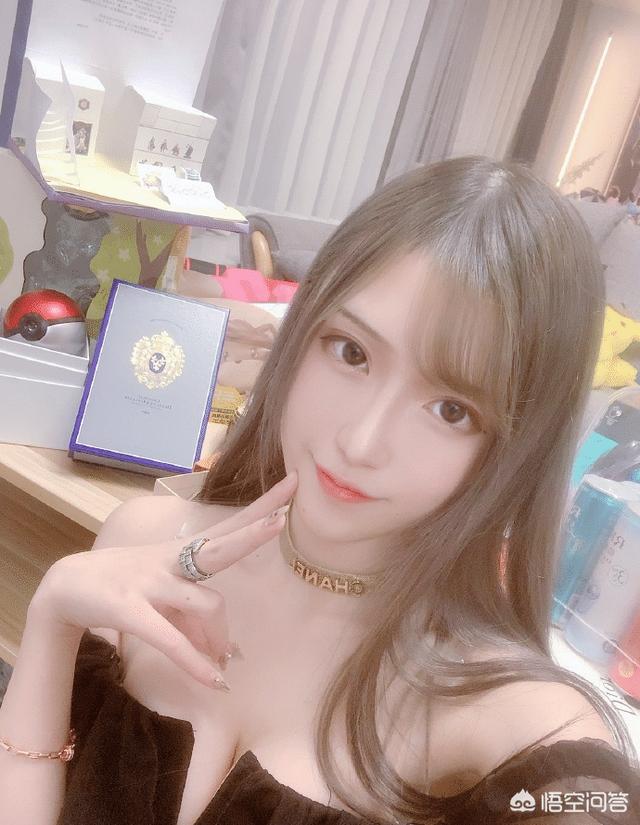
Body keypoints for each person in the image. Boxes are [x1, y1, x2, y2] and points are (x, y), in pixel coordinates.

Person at [1, 156, 639, 825]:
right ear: (302, 332)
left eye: (452, 410)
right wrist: (53, 615)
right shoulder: (142, 540)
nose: (361, 442)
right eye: (351, 352)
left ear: (513, 452)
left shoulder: (511, 716)